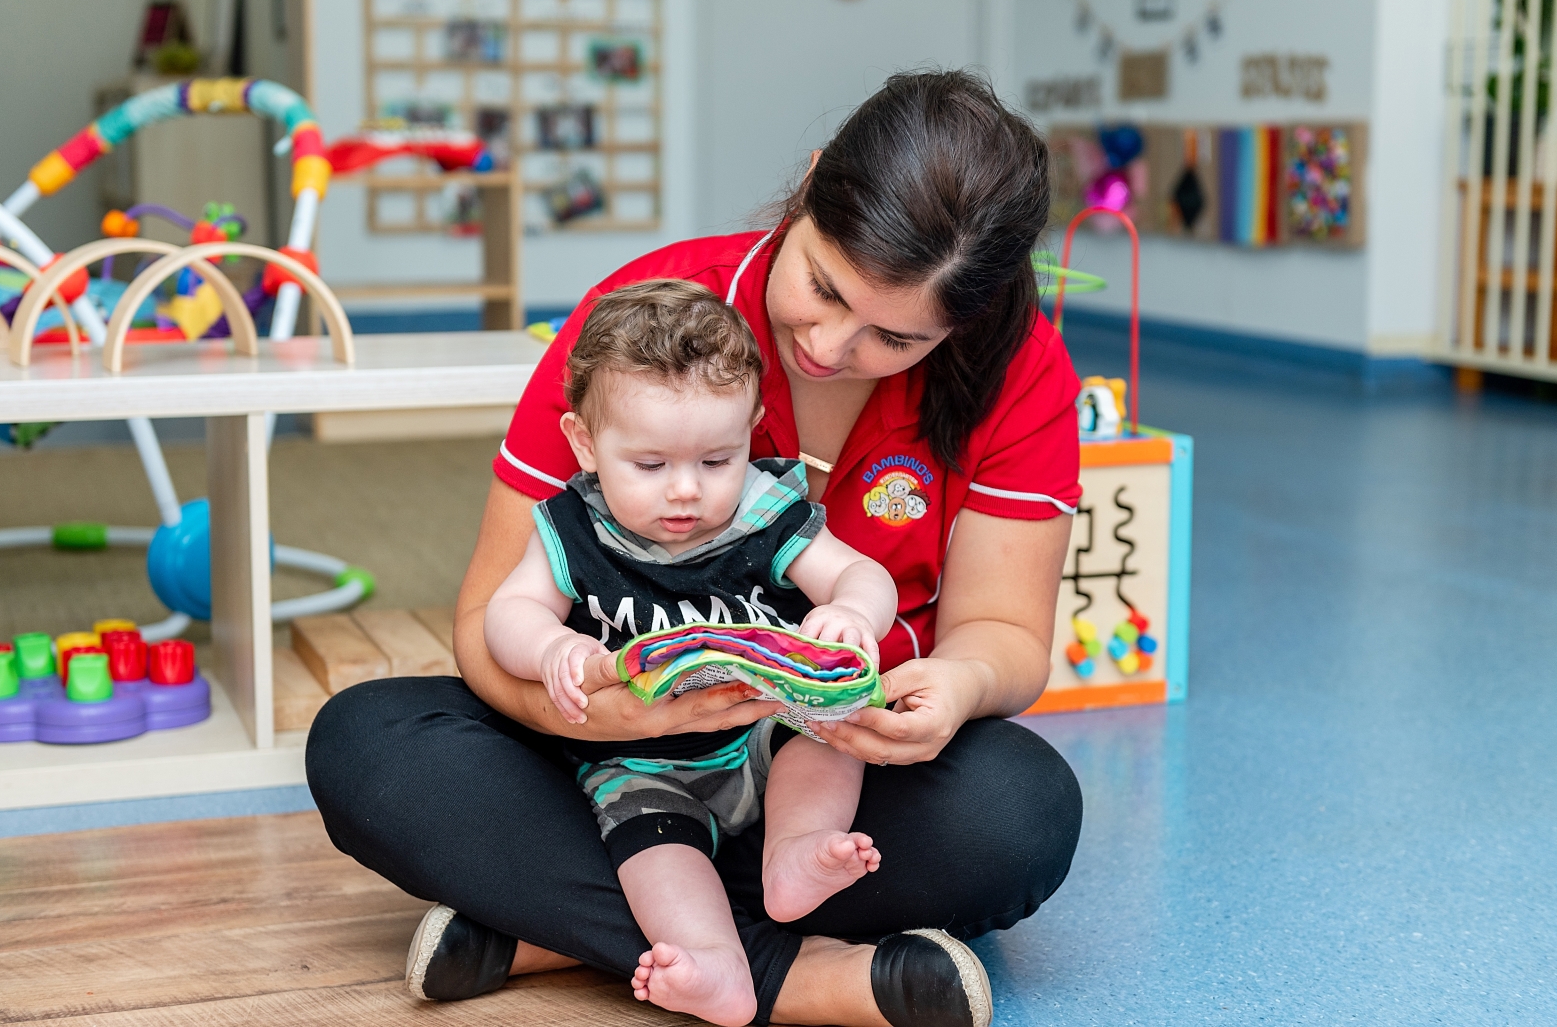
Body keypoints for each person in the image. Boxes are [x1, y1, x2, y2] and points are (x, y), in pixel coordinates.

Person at [307, 68, 1084, 1027]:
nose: (833, 347)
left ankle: (572, 934)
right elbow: (486, 628)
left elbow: (1004, 632)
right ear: (806, 188)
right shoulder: (651, 323)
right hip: (613, 763)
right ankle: (796, 979)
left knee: (1019, 814)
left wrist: (951, 691)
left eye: (896, 337)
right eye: (823, 288)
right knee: (367, 745)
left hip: (823, 765)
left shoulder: (1021, 371)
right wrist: (613, 717)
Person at [485, 278, 896, 1025]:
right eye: (649, 466)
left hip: (764, 732)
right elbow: (507, 611)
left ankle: (795, 855)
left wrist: (849, 612)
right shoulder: (572, 524)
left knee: (831, 731)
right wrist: (549, 645)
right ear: (584, 443)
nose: (686, 493)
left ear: (752, 432)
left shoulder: (762, 510)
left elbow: (860, 572)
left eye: (716, 460)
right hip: (645, 762)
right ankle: (716, 967)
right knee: (651, 849)